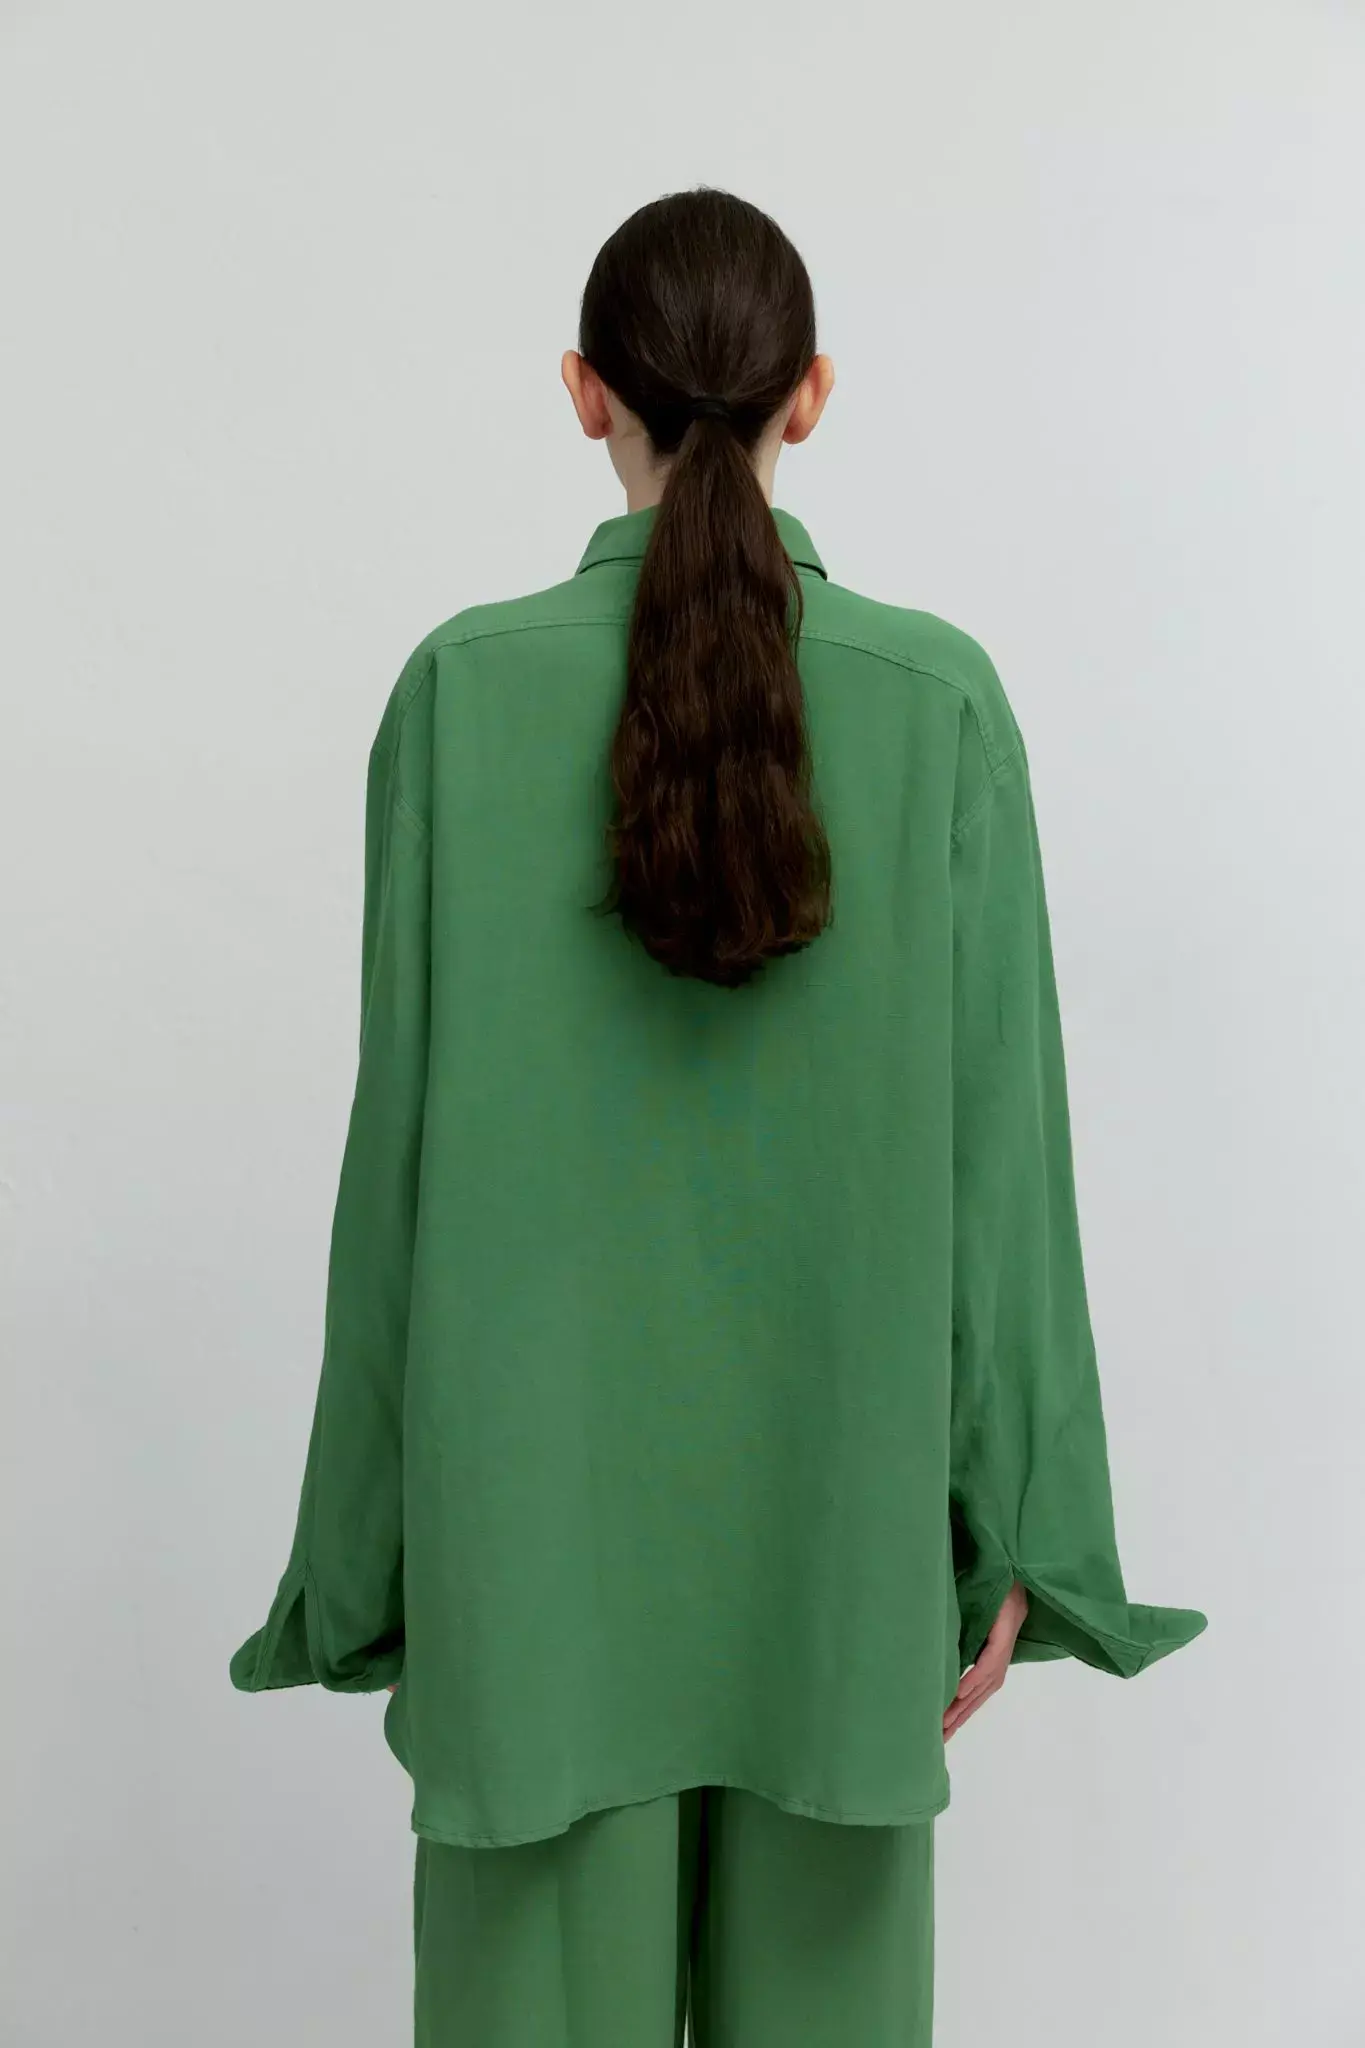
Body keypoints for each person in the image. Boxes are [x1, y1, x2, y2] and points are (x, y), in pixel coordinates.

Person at [230, 187, 1205, 2047]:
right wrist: (1019, 1533)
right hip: (838, 1580)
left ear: (583, 392)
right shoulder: (939, 704)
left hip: (532, 1579)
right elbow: (1006, 1177)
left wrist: (362, 1563)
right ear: (809, 394)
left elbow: (394, 1183)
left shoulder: (459, 696)